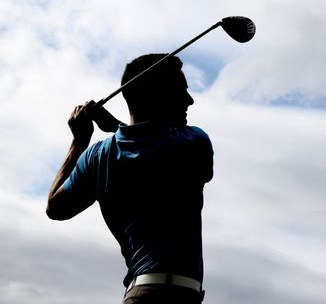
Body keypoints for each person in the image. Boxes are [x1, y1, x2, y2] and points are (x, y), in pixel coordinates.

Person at [46, 54, 213, 303]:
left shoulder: (98, 156)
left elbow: (55, 207)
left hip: (140, 294)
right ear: (156, 97)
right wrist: (116, 125)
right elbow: (149, 147)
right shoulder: (193, 142)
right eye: (180, 91)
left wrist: (78, 143)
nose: (189, 100)